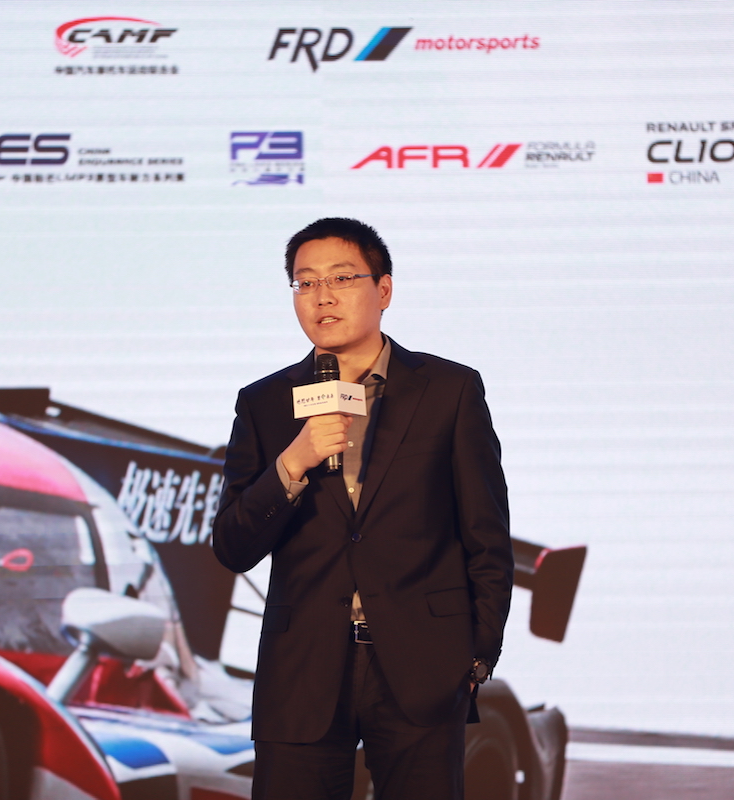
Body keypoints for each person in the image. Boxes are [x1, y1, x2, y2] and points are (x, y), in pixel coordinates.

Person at [212, 218, 513, 800]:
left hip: (423, 665)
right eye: (305, 282)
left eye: (341, 278)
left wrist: (477, 657)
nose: (322, 296)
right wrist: (292, 463)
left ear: (384, 290)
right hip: (301, 670)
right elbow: (232, 546)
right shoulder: (264, 402)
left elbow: (486, 535)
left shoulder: (448, 390)